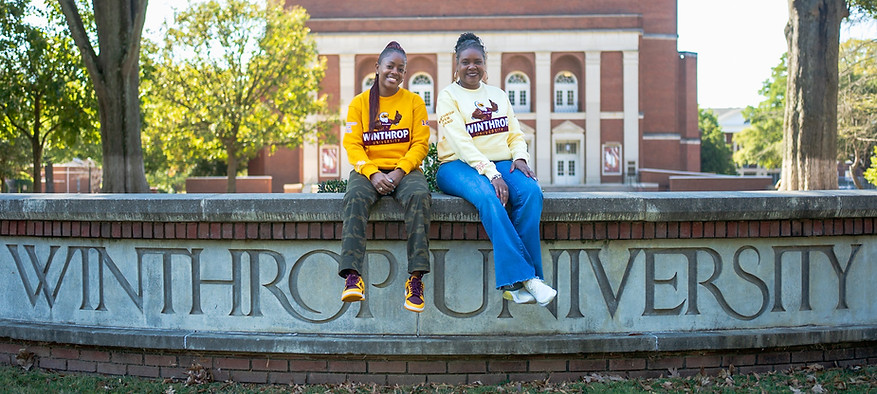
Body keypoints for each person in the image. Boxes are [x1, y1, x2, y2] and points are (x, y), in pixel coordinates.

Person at [435, 32, 557, 307]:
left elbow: (515, 133)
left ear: (485, 63)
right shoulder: (448, 97)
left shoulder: (498, 95)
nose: (472, 67)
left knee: (532, 193)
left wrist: (521, 158)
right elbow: (461, 143)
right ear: (456, 64)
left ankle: (521, 286)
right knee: (490, 198)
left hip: (502, 163)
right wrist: (492, 174)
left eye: (477, 61)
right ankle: (530, 278)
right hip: (457, 166)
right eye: (465, 61)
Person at [340, 41, 432, 313]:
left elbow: (421, 144)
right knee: (355, 197)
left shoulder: (414, 102)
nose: (395, 72)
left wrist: (400, 171)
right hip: (368, 171)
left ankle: (415, 280)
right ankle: (352, 277)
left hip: (405, 171)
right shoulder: (359, 104)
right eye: (390, 66)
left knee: (419, 196)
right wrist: (371, 172)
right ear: (377, 68)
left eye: (401, 69)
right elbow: (352, 145)